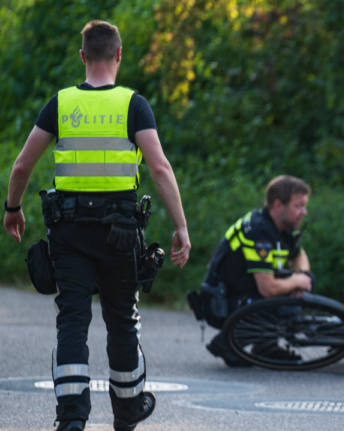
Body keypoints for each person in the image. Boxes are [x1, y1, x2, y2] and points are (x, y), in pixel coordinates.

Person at [2, 21, 191, 431]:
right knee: (122, 320)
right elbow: (159, 167)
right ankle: (126, 411)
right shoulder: (133, 104)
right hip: (120, 233)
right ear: (119, 55)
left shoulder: (61, 103)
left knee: (72, 320)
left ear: (83, 57)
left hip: (68, 233)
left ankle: (71, 417)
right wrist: (181, 227)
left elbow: (22, 164)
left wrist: (12, 208)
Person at [202, 175, 312, 367]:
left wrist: (302, 276)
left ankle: (265, 347)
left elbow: (299, 256)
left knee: (302, 287)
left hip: (247, 293)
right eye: (298, 206)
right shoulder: (258, 231)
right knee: (277, 301)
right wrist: (296, 282)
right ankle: (227, 343)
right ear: (278, 205)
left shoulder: (283, 228)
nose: (304, 212)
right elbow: (267, 289)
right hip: (222, 301)